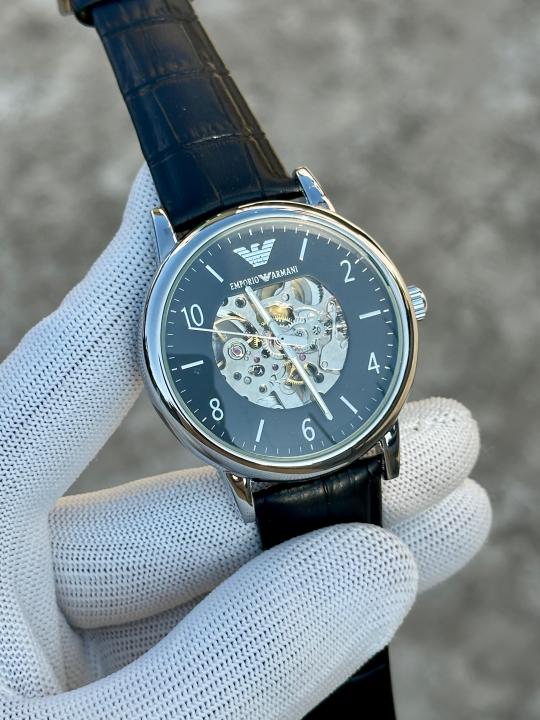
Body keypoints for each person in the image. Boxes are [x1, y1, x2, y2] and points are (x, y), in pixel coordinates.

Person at [0, 166, 491, 719]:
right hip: (271, 462)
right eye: (264, 335)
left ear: (407, 303)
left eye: (289, 324)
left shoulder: (309, 221)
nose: (279, 338)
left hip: (349, 435)